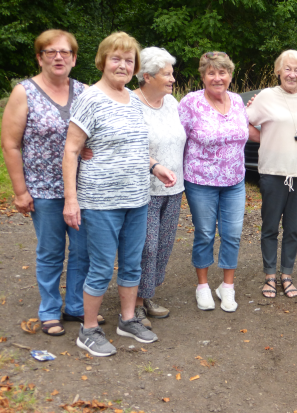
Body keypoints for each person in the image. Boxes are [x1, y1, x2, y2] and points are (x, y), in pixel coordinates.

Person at [63, 32, 175, 356]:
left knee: (131, 264)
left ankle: (127, 320)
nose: (122, 65)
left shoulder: (132, 100)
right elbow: (72, 150)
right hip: (100, 202)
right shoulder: (90, 98)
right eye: (116, 58)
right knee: (100, 266)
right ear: (102, 61)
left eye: (129, 60)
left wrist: (155, 167)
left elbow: (135, 147)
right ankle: (88, 329)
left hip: (137, 199)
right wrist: (72, 200)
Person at [81, 47, 186, 328]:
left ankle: (148, 294)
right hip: (142, 188)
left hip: (174, 187)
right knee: (145, 249)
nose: (173, 78)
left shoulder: (172, 103)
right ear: (148, 77)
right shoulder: (131, 103)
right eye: (167, 74)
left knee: (163, 247)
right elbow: (121, 141)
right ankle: (135, 304)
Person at [0, 29, 95, 336]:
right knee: (51, 251)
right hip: (44, 190)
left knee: (83, 251)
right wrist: (20, 191)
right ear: (39, 57)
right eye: (50, 52)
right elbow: (11, 144)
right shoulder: (23, 92)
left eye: (64, 52)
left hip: (83, 188)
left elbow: (94, 132)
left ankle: (77, 307)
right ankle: (50, 309)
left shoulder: (85, 92)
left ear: (74, 58)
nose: (58, 57)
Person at [177, 52, 249, 312]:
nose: (217, 78)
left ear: (230, 75)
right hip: (200, 180)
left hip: (235, 180)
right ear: (203, 76)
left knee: (232, 234)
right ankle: (203, 286)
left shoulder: (238, 101)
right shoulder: (190, 102)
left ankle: (227, 288)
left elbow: (247, 133)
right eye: (211, 73)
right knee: (205, 233)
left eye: (222, 72)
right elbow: (178, 138)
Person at [246, 50, 297, 299]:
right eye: (287, 69)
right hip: (273, 171)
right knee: (269, 226)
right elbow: (243, 121)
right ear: (278, 71)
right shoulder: (266, 96)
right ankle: (269, 275)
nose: (292, 74)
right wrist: (262, 137)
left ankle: (286, 275)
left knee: (292, 228)